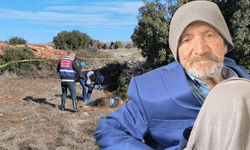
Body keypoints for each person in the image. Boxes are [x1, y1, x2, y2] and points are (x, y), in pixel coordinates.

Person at [94, 1, 250, 150]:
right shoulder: (151, 90)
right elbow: (109, 129)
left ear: (225, 43)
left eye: (209, 35)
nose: (201, 49)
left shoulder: (243, 80)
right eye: (187, 40)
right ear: (177, 52)